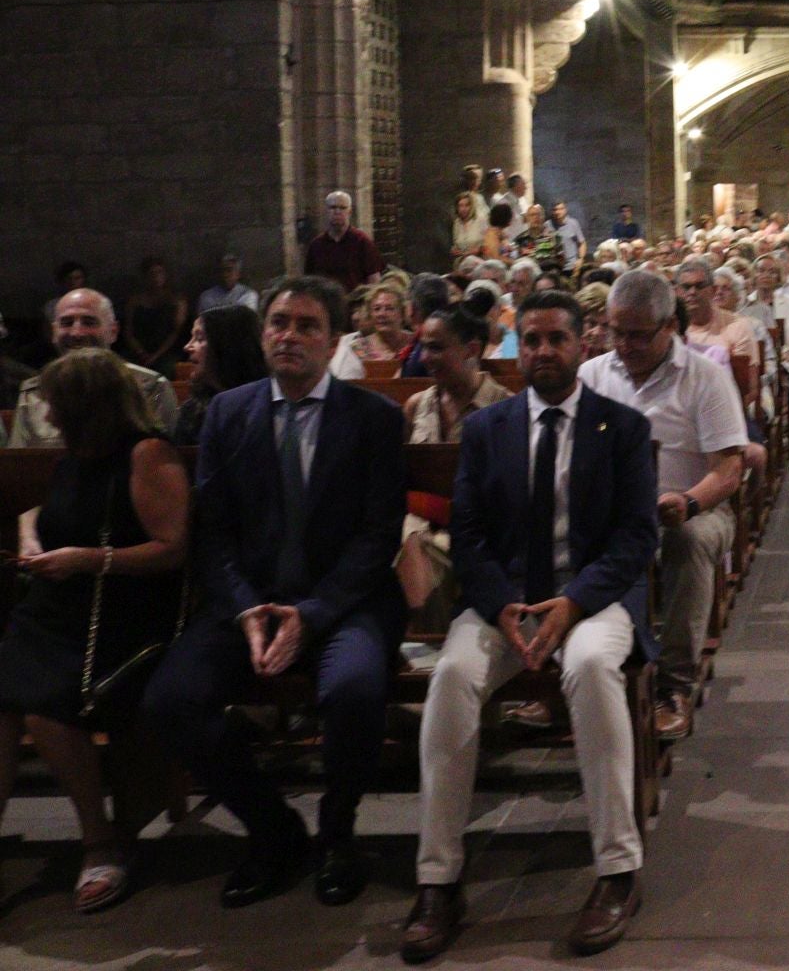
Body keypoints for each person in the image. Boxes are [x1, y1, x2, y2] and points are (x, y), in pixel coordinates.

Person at [403, 291, 657, 961]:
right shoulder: (491, 428)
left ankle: (617, 870)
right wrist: (501, 605)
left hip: (592, 600)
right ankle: (438, 880)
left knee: (592, 667)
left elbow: (635, 539)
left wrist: (573, 603)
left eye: (557, 340)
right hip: (507, 606)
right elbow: (470, 531)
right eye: (533, 341)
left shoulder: (621, 427)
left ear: (584, 345)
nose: (543, 352)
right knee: (452, 675)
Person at [141, 275, 406, 909]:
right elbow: (214, 534)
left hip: (346, 603)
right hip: (250, 602)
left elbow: (376, 537)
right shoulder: (231, 413)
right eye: (279, 322)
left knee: (353, 690)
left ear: (335, 339)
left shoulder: (373, 418)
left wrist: (311, 615)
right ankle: (273, 829)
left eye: (308, 325)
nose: (289, 335)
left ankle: (338, 834)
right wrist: (244, 611)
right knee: (169, 700)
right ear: (263, 334)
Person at [0, 349, 190, 913]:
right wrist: (32, 538)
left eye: (57, 406)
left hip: (120, 619)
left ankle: (99, 843)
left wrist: (87, 559)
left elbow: (172, 549)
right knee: (1, 702)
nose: (49, 418)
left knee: (44, 709)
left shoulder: (148, 455)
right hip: (59, 614)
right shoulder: (76, 456)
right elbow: (43, 510)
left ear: (88, 407)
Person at [580, 272, 746, 743]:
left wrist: (688, 501)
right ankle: (564, 674)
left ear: (669, 326)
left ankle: (674, 684)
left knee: (688, 541)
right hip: (614, 516)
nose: (624, 345)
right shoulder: (592, 377)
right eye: (616, 332)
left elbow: (728, 471)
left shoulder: (705, 378)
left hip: (694, 509)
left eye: (637, 335)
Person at [397, 305, 513, 628]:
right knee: (410, 533)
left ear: (471, 350)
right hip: (427, 524)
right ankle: (428, 633)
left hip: (484, 530)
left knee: (418, 541)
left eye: (436, 347)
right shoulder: (417, 406)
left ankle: (431, 633)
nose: (423, 358)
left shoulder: (504, 407)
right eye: (422, 347)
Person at [11, 289, 179, 447]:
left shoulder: (151, 387)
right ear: (54, 332)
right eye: (67, 322)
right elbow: (19, 464)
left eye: (89, 322)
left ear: (113, 331)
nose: (77, 333)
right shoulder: (33, 392)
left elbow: (164, 459)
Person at [173, 304, 269, 446]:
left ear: (226, 345)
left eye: (199, 338)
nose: (187, 347)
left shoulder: (268, 405)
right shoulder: (192, 411)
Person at [303, 190, 384, 292]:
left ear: (349, 212)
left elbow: (374, 280)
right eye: (333, 207)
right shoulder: (316, 245)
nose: (337, 211)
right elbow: (309, 281)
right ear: (326, 211)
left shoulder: (362, 242)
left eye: (342, 208)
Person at [122, 256, 189, 376]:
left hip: (166, 351)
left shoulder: (177, 301)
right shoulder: (135, 301)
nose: (156, 277)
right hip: (140, 350)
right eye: (152, 273)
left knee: (169, 368)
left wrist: (155, 356)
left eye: (160, 272)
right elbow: (128, 332)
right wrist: (141, 352)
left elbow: (175, 333)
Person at [450, 193, 486, 265]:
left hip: (479, 263)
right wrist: (454, 250)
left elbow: (488, 243)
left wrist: (478, 250)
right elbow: (456, 243)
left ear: (472, 206)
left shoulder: (481, 220)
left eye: (467, 205)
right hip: (461, 264)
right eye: (460, 205)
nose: (463, 209)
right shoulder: (457, 223)